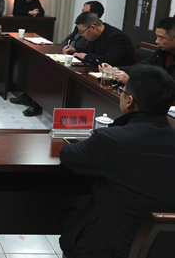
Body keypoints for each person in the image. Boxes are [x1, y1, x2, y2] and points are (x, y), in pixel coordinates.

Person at [59, 65, 175, 258]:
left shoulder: (111, 140)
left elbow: (68, 156)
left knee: (70, 217)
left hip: (111, 247)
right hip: (165, 248)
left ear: (129, 101)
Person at [100, 16, 175, 85]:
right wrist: (115, 69)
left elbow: (169, 87)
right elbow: (141, 67)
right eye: (157, 36)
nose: (157, 41)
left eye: (161, 37)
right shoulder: (161, 51)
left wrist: (130, 82)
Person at [63, 12, 135, 67]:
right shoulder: (96, 35)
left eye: (82, 32)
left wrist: (85, 56)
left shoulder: (117, 37)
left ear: (93, 28)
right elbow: (88, 50)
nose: (82, 35)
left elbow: (108, 61)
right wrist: (74, 50)